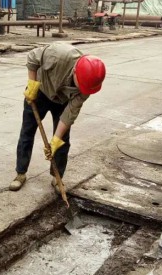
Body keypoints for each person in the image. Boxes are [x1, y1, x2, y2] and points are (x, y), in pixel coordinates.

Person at [9, 43, 106, 193]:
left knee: (62, 140)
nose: (82, 90)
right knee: (27, 133)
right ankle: (20, 173)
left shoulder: (87, 87)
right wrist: (32, 85)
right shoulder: (58, 54)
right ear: (75, 71)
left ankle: (57, 176)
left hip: (62, 101)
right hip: (39, 92)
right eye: (81, 85)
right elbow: (32, 58)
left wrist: (55, 140)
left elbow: (69, 115)